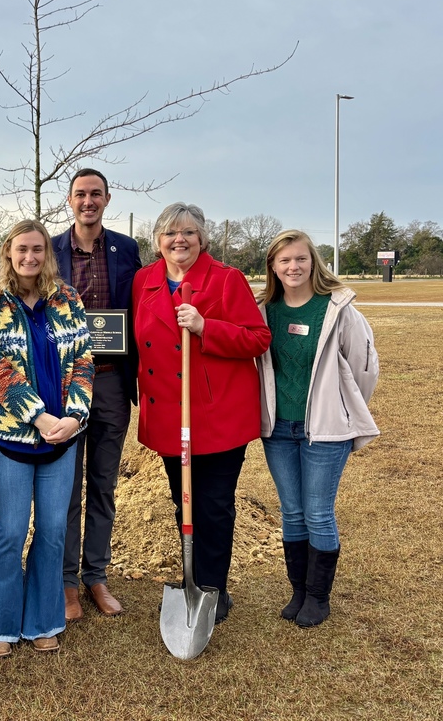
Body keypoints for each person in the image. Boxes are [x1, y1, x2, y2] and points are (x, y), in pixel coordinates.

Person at [132, 203, 271, 624]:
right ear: (158, 242)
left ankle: (214, 587)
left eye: (189, 232)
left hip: (216, 415)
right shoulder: (144, 281)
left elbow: (257, 338)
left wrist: (206, 326)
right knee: (183, 502)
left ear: (202, 239)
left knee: (213, 505)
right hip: (169, 415)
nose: (180, 240)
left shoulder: (226, 280)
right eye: (171, 233)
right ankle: (192, 577)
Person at [0, 219, 94, 658]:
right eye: (21, 249)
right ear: (8, 251)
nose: (30, 257)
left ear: (47, 253)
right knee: (11, 530)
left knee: (55, 530)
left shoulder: (67, 298)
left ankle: (43, 619)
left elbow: (83, 360)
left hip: (64, 436)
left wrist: (74, 416)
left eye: (38, 249)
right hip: (12, 438)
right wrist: (38, 418)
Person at [258, 230, 379, 628]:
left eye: (300, 259)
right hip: (278, 429)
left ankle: (318, 597)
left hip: (325, 431)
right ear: (273, 267)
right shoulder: (264, 310)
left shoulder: (338, 310)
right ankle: (297, 589)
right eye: (284, 260)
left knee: (318, 513)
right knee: (291, 512)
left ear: (314, 262)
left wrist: (341, 409)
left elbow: (363, 367)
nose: (293, 267)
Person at [52, 167, 141, 620]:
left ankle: (96, 577)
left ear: (107, 199)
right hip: (63, 382)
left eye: (96, 194)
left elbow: (141, 306)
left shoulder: (126, 249)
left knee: (103, 485)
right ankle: (66, 583)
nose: (88, 201)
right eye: (80, 194)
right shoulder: (49, 250)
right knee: (66, 489)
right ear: (69, 200)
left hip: (110, 378)